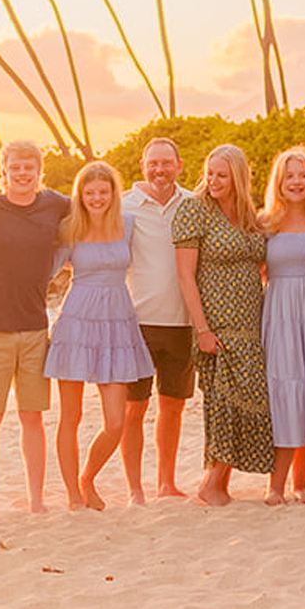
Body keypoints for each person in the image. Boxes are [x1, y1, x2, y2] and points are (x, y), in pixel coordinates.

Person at [45, 160, 154, 510]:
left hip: (118, 321)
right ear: (80, 195)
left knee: (116, 421)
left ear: (113, 193)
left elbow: (152, 265)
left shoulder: (129, 224)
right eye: (89, 193)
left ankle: (87, 477)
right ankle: (74, 496)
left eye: (103, 192)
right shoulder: (69, 229)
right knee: (71, 417)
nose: (96, 198)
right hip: (76, 320)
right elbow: (43, 270)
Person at [0, 141, 71, 520]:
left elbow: (104, 201)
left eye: (30, 167)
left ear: (39, 171)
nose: (23, 173)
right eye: (16, 167)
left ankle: (36, 498)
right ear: (4, 172)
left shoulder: (56, 204)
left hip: (34, 327)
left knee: (33, 417)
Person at [172, 144, 274, 504]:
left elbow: (259, 266)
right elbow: (185, 276)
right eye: (209, 172)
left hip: (251, 320)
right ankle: (212, 483)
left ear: (238, 177)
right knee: (223, 399)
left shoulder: (250, 215)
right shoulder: (194, 210)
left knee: (247, 396)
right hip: (216, 321)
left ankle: (219, 480)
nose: (212, 181)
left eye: (221, 175)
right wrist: (202, 329)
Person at [120, 138, 193, 504]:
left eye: (166, 163)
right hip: (137, 323)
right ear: (142, 165)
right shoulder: (124, 206)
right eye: (153, 163)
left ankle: (166, 481)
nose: (159, 170)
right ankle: (135, 488)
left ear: (179, 165)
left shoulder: (193, 204)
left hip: (183, 323)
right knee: (134, 408)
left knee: (173, 405)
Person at [259, 146, 305, 504]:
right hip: (279, 315)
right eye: (289, 175)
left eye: (303, 175)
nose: (297, 182)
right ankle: (275, 486)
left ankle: (301, 484)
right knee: (284, 396)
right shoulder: (265, 223)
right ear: (279, 181)